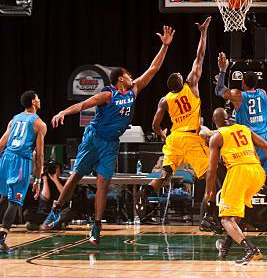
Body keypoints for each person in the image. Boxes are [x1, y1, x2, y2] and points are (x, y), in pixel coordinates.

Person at [43, 25, 174, 246]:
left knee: (103, 183)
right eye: (128, 75)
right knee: (76, 176)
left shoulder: (134, 90)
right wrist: (63, 112)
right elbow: (84, 104)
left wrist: (164, 46)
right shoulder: (107, 94)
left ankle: (96, 227)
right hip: (94, 138)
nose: (133, 76)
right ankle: (56, 210)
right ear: (121, 78)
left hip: (111, 144)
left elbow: (153, 69)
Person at [136, 18, 210, 219]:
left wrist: (161, 133)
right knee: (209, 172)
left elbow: (154, 124)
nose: (179, 71)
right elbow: (200, 56)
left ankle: (147, 191)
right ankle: (210, 212)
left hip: (174, 139)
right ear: (180, 81)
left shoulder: (165, 100)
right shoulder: (191, 84)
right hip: (189, 138)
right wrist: (203, 33)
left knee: (166, 172)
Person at [214, 51, 267, 243]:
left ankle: (235, 225)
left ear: (243, 83)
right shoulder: (263, 93)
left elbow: (219, 90)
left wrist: (222, 70)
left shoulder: (238, 95)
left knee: (244, 185)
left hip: (251, 141)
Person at [204, 108, 267, 264]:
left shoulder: (216, 137)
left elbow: (211, 169)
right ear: (228, 118)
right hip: (257, 172)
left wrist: (209, 191)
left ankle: (251, 250)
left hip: (239, 172)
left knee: (226, 218)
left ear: (215, 122)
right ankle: (225, 248)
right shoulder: (244, 128)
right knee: (236, 214)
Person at [0, 90, 46, 253]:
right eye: (37, 98)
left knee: (4, 197)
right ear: (33, 102)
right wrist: (37, 179)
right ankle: (1, 241)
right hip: (21, 161)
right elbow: (40, 154)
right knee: (15, 201)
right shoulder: (39, 124)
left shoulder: (14, 120)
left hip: (6, 159)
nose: (39, 100)